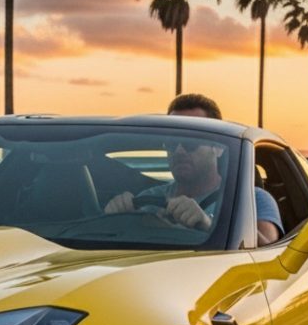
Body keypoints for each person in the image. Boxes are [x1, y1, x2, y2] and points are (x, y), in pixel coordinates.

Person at [104, 93, 284, 245]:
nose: (180, 150)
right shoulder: (147, 199)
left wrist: (208, 225)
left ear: (218, 148)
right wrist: (114, 218)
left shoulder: (251, 200)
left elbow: (269, 255)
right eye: (172, 143)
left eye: (192, 142)